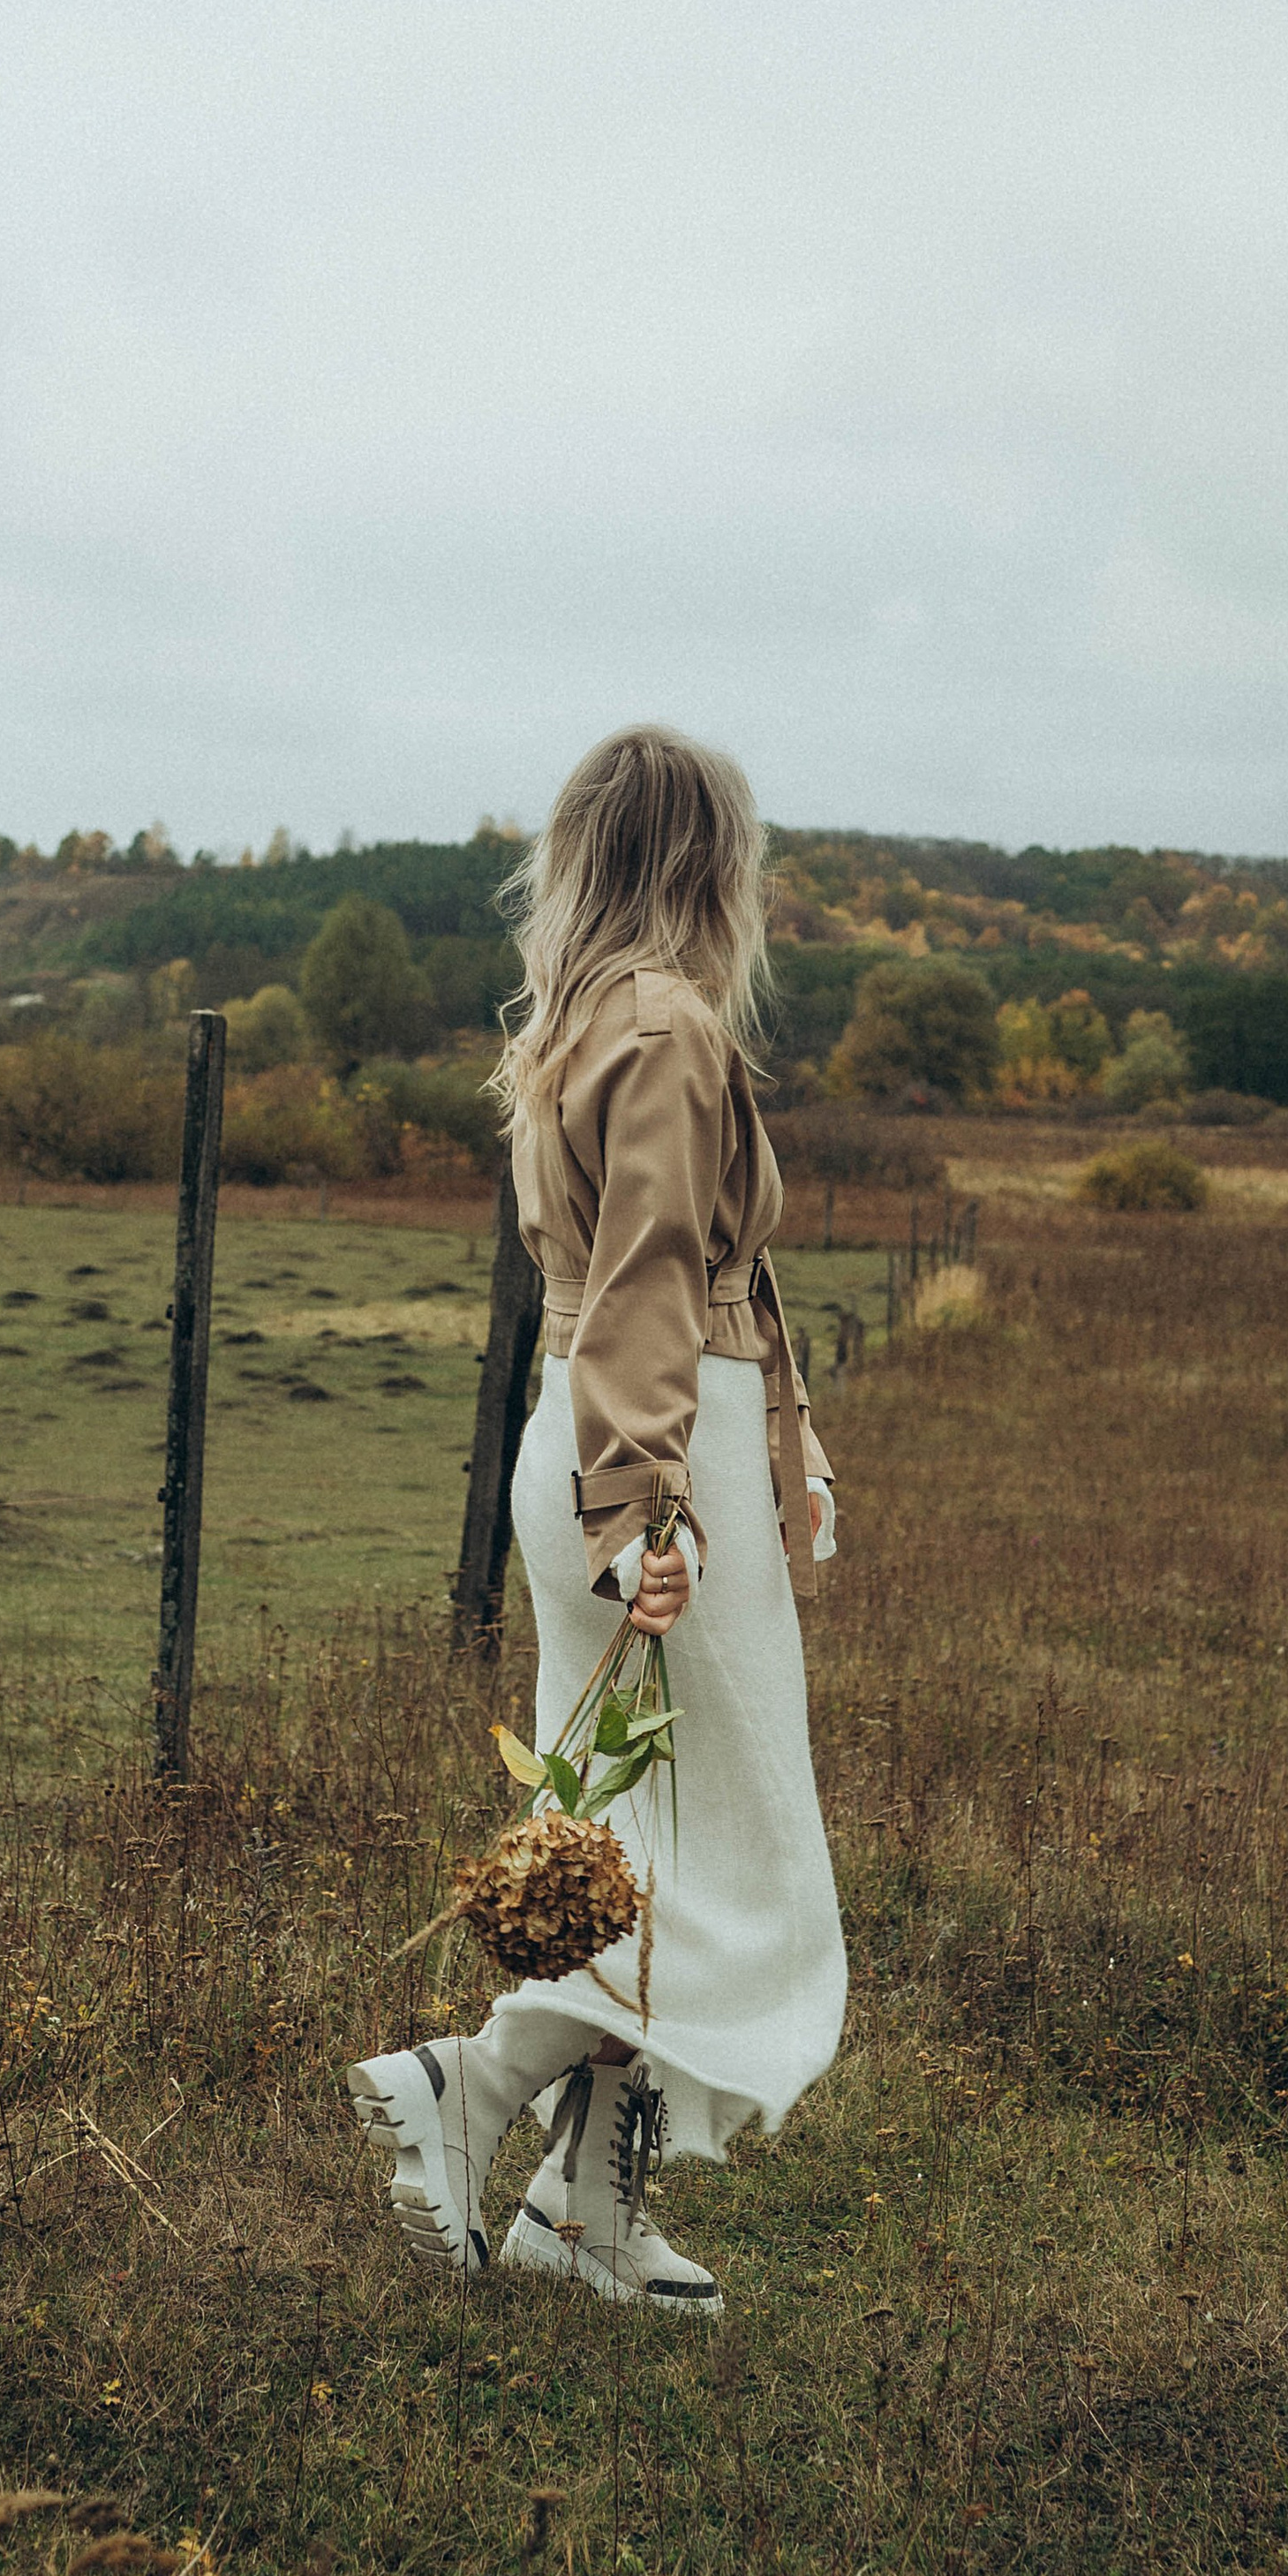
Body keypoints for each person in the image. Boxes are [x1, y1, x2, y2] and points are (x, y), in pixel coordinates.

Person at [346, 724, 844, 2316]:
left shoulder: (580, 1023)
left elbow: (689, 1279)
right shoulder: (670, 1026)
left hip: (594, 1442)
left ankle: (590, 2209)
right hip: (643, 1455)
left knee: (635, 1853)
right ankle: (472, 2090)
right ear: (710, 859)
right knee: (736, 1877)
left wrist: (795, 1442)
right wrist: (652, 1504)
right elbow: (648, 1282)